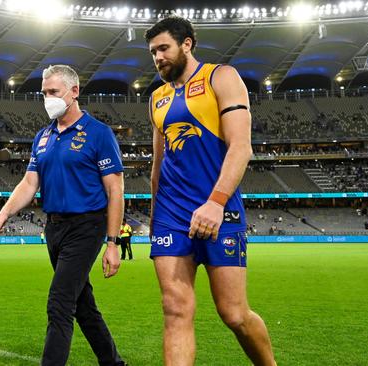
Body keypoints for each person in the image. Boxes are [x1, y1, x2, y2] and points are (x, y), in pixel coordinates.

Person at [144, 17, 276, 365]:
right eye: (152, 52)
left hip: (219, 209)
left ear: (187, 44)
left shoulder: (222, 77)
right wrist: (156, 218)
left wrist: (215, 203)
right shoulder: (156, 98)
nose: (157, 58)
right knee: (175, 309)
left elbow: (241, 147)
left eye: (163, 48)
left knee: (234, 313)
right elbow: (158, 167)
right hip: (172, 214)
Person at [0, 64, 126, 366]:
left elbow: (116, 190)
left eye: (53, 92)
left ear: (74, 92)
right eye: (44, 93)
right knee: (82, 304)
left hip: (87, 226)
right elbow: (29, 182)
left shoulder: (99, 134)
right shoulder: (43, 136)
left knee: (60, 303)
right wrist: (5, 212)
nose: (47, 98)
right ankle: (113, 362)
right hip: (54, 229)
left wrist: (113, 243)